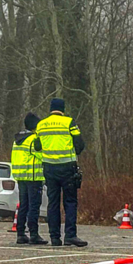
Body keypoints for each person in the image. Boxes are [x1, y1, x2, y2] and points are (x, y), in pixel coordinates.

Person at [33, 98, 87, 247]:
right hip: (67, 167)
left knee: (53, 203)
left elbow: (37, 146)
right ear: (63, 109)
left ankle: (54, 237)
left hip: (49, 168)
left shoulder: (41, 125)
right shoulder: (69, 122)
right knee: (70, 202)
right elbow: (80, 144)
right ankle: (70, 235)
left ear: (51, 109)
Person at [12, 113, 47, 245]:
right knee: (34, 206)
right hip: (33, 177)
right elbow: (42, 155)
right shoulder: (33, 140)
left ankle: (20, 234)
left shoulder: (18, 140)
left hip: (21, 177)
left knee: (23, 205)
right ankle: (34, 234)